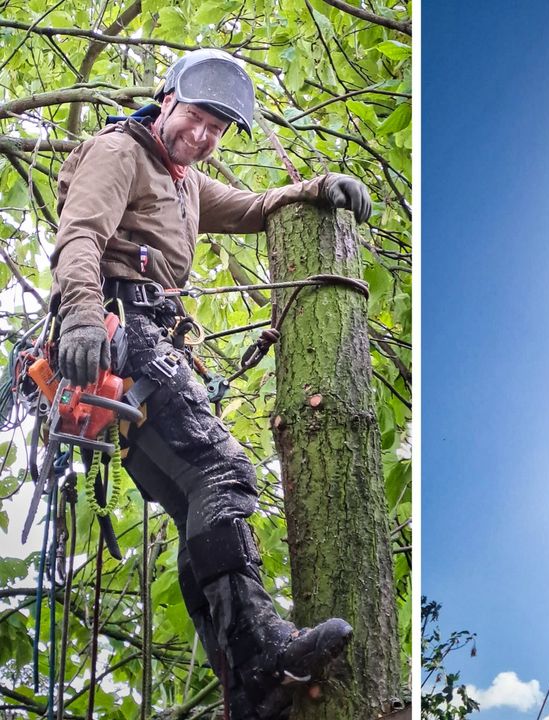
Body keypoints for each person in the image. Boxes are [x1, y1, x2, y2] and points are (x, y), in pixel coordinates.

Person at [50, 49, 371, 719]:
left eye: (216, 130)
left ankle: (245, 687)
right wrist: (80, 314)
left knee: (200, 502)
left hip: (146, 342)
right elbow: (80, 234)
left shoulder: (186, 181)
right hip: (118, 328)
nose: (201, 138)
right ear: (167, 100)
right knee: (222, 472)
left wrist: (315, 188)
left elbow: (253, 206)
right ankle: (262, 647)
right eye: (196, 119)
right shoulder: (122, 150)